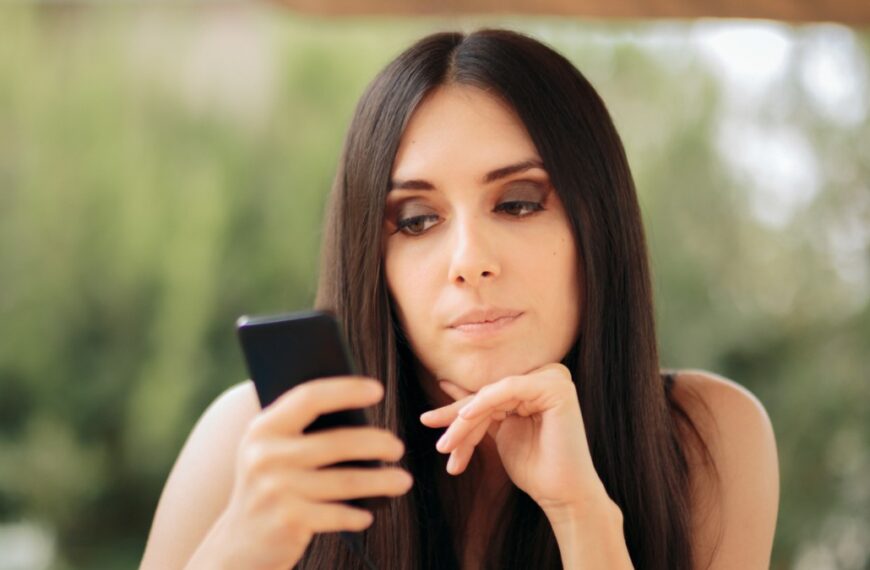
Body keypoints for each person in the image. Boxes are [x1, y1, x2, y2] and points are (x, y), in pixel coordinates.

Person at [139, 28, 779, 570]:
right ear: (371, 260)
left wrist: (584, 517)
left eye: (519, 203)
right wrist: (239, 548)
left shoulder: (704, 439)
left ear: (599, 225)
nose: (470, 261)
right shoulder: (257, 439)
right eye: (416, 220)